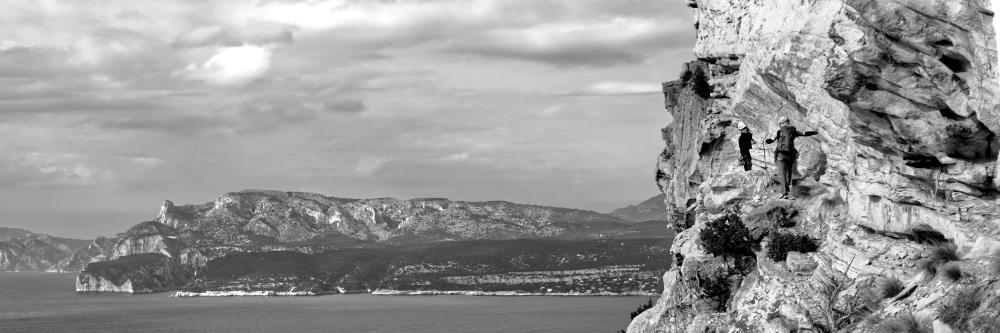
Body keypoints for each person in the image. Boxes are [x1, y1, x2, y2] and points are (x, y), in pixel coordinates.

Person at [764, 117, 818, 199]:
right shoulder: (793, 131)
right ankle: (789, 192)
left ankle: (784, 193)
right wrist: (816, 132)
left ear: (780, 124)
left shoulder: (779, 132)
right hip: (790, 155)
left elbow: (771, 140)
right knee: (789, 173)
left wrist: (767, 141)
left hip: (780, 156)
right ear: (788, 122)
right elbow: (805, 133)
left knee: (782, 174)